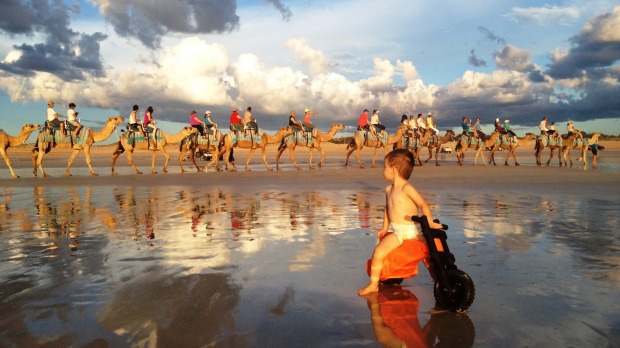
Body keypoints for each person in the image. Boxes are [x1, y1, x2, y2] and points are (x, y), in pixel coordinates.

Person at [358, 149, 442, 296]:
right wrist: (385, 227)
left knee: (429, 260)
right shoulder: (388, 189)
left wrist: (429, 222)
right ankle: (373, 284)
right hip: (398, 232)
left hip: (413, 231)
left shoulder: (407, 188)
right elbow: (387, 209)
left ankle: (440, 283)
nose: (383, 170)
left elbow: (422, 204)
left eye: (385, 167)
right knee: (378, 252)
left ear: (394, 169)